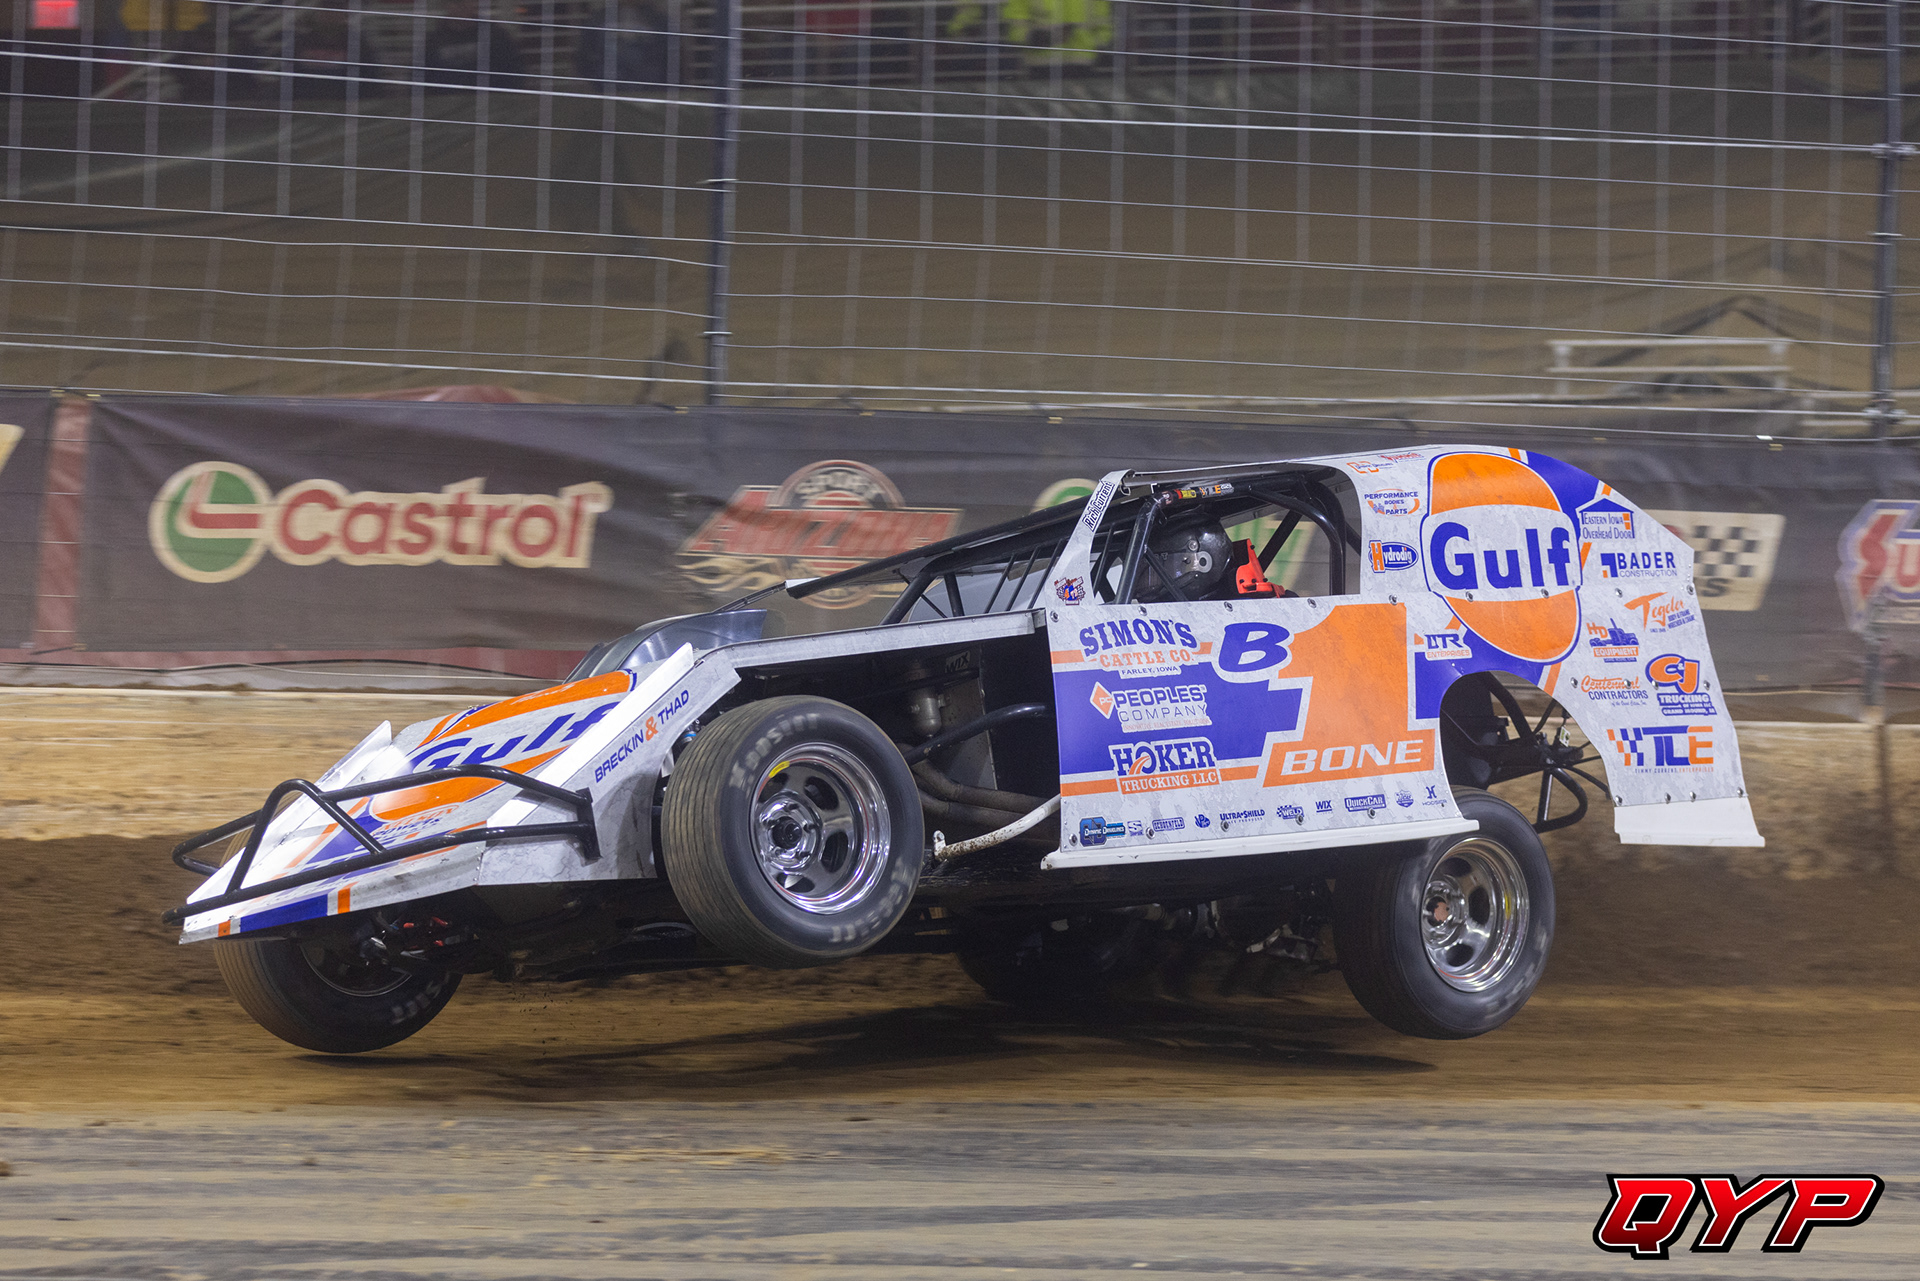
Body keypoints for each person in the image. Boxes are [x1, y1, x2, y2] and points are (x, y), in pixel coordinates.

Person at [423, 0, 527, 92]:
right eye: (455, 2)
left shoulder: (495, 35)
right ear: (446, 5)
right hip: (445, 105)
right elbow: (423, 80)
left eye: (465, 2)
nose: (461, 6)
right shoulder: (433, 42)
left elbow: (513, 72)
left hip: (493, 104)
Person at [574, 0, 670, 93]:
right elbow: (586, 55)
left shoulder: (659, 20)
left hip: (649, 86)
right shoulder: (598, 19)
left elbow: (666, 58)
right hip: (607, 84)